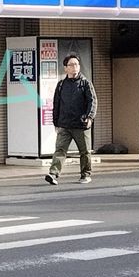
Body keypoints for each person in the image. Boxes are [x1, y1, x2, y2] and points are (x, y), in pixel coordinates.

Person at [45, 54, 98, 186]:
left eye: (76, 64)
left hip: (81, 124)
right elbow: (56, 104)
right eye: (71, 65)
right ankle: (53, 173)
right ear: (65, 68)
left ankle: (85, 174)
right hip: (64, 124)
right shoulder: (61, 84)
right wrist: (56, 122)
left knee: (84, 151)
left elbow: (93, 101)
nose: (75, 67)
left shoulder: (85, 83)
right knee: (60, 150)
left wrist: (90, 117)